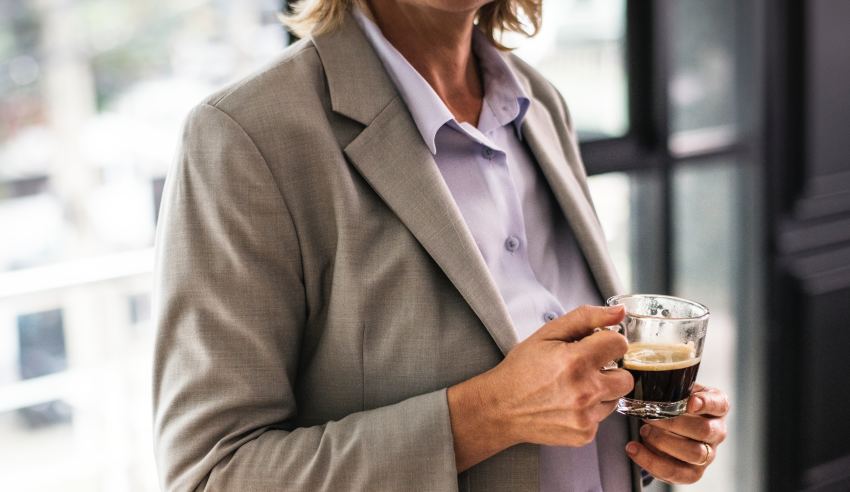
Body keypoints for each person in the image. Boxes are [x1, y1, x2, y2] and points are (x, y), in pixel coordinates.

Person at [152, 0, 730, 490]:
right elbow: (212, 474)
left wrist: (651, 435)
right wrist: (486, 416)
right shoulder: (247, 134)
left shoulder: (540, 102)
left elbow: (564, 409)